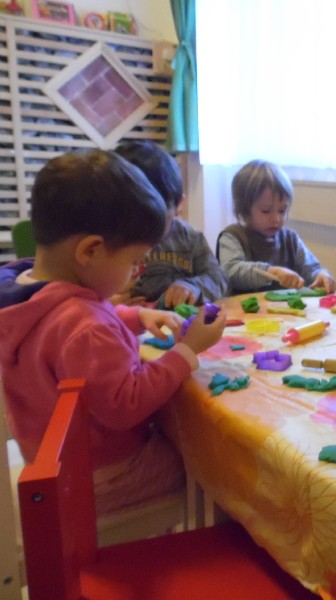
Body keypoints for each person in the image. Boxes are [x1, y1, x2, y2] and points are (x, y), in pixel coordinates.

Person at [0, 150, 227, 515]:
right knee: (214, 464)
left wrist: (136, 315)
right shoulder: (86, 329)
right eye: (133, 261)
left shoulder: (28, 289)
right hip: (102, 477)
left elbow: (71, 323)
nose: (136, 271)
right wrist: (188, 351)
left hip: (52, 464)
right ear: (90, 251)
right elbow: (127, 404)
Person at [111, 140, 228, 308]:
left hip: (179, 317)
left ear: (179, 204)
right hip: (127, 319)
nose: (142, 228)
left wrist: (193, 287)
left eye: (155, 218)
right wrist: (104, 304)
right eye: (131, 215)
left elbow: (218, 277)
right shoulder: (109, 241)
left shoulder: (189, 238)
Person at [216, 160, 336, 295]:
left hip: (283, 308)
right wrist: (271, 272)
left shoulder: (291, 240)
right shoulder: (232, 237)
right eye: (266, 211)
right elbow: (231, 271)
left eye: (282, 211)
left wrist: (322, 275)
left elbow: (311, 269)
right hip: (241, 308)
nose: (276, 219)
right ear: (244, 210)